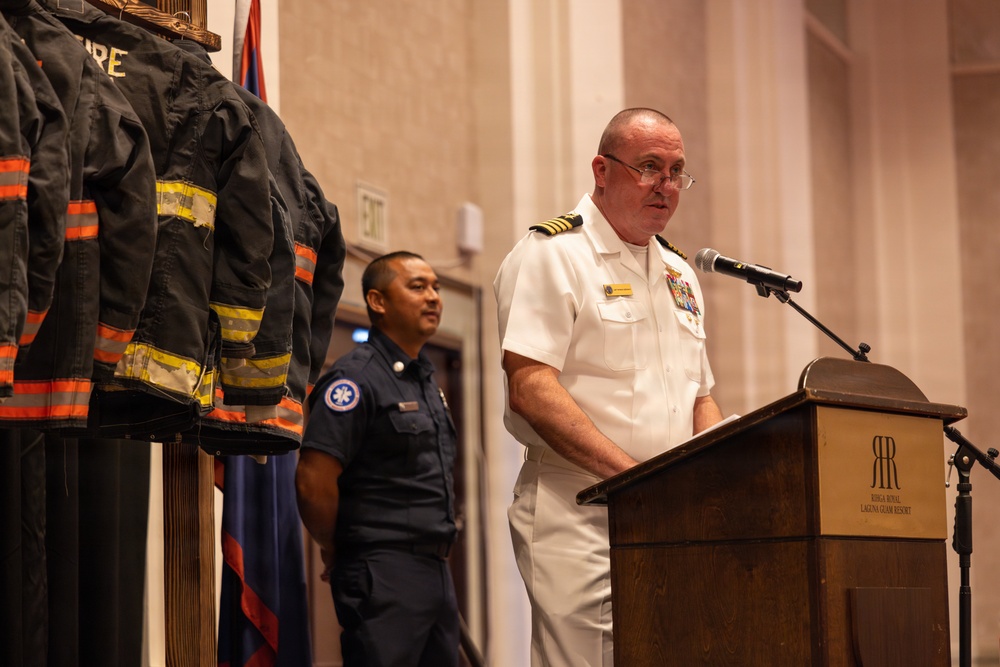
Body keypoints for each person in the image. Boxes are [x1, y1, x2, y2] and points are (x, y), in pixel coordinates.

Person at [494, 108, 724, 666]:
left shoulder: (678, 272)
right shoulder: (552, 255)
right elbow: (531, 386)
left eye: (676, 172)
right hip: (579, 509)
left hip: (667, 513)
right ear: (602, 170)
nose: (666, 187)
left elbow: (701, 397)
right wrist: (638, 480)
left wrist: (713, 480)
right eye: (649, 167)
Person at [296, 251, 460, 667]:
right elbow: (314, 480)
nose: (433, 298)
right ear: (378, 301)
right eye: (418, 286)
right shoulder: (355, 379)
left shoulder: (424, 380)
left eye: (437, 288)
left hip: (435, 568)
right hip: (382, 570)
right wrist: (335, 546)